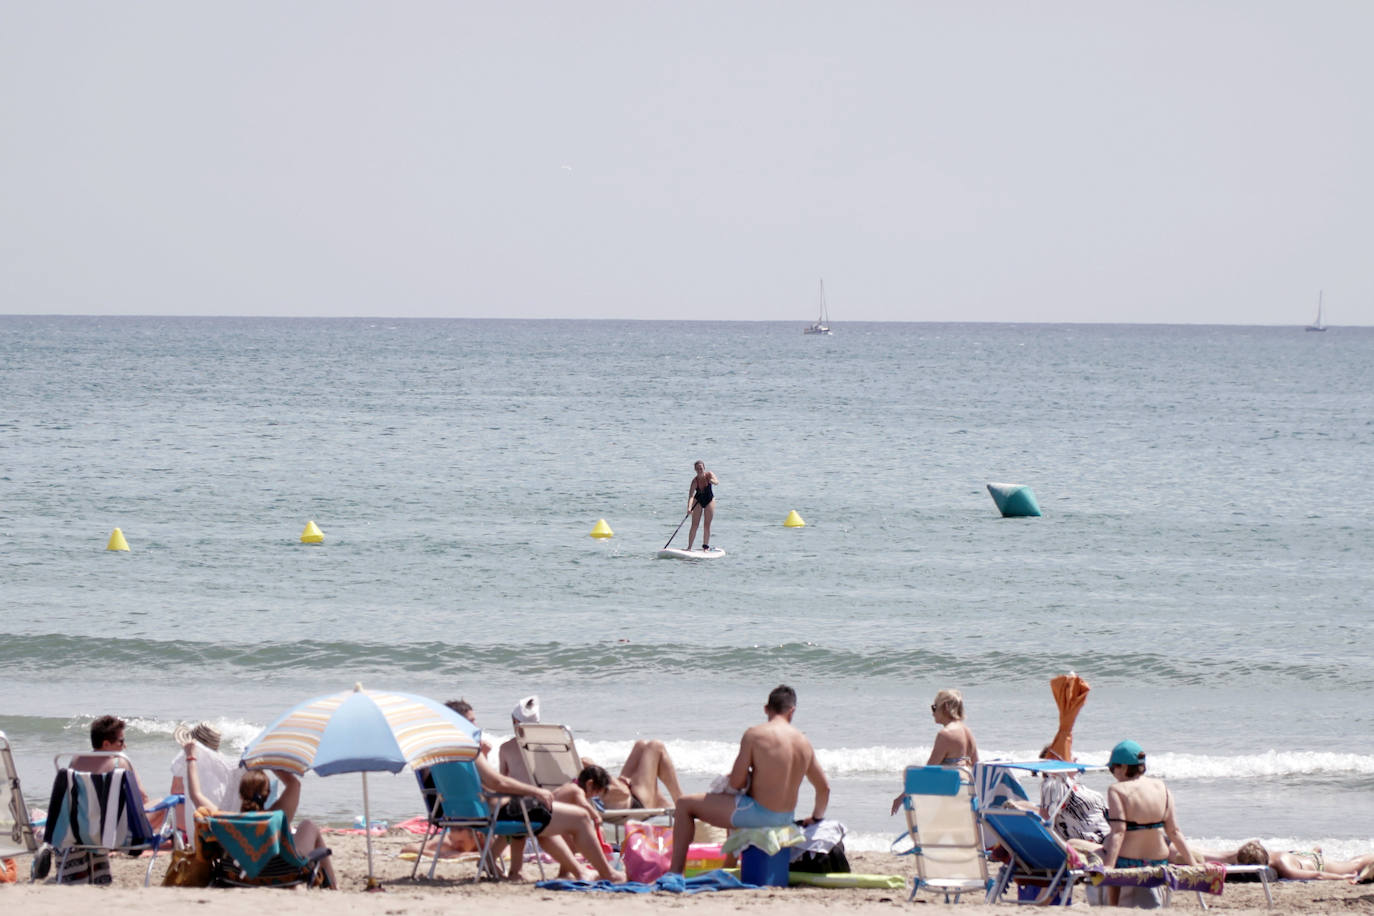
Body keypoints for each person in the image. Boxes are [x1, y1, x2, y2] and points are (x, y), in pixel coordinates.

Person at [668, 685, 830, 874]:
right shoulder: (804, 742)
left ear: (766, 709)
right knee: (737, 803)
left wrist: (749, 778)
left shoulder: (755, 735)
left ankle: (675, 872)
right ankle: (728, 867)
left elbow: (736, 782)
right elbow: (824, 788)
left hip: (759, 815)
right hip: (786, 817)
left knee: (684, 804)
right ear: (792, 710)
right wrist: (816, 817)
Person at [180, 737, 338, 889]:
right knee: (308, 825)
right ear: (268, 793)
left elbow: (196, 795)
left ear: (241, 794)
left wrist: (191, 757)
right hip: (283, 874)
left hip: (236, 876)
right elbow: (294, 784)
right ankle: (334, 887)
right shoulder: (277, 816)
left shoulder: (223, 819)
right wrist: (265, 759)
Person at [1101, 740, 1194, 908]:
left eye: (1112, 768)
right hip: (1159, 860)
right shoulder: (1161, 787)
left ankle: (1112, 906)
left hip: (1128, 861)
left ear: (1123, 767)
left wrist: (1109, 867)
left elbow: (1119, 832)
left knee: (1101, 846)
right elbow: (1174, 831)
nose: (1113, 773)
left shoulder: (1116, 790)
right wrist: (1193, 864)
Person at [890, 688, 978, 814]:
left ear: (946, 707)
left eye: (934, 707)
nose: (932, 713)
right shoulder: (967, 731)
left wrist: (901, 797)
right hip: (966, 796)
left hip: (948, 795)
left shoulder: (945, 735)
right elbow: (977, 766)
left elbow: (928, 772)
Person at [150, 722, 241, 833]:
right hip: (222, 825)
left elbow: (176, 791)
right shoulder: (225, 767)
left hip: (194, 826)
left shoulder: (185, 760)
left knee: (175, 800)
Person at [1199, 840, 1374, 882]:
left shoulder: (1283, 866)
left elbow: (1317, 874)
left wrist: (1341, 878)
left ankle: (1315, 852)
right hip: (1298, 855)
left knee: (1355, 863)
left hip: (1315, 863)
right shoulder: (1265, 853)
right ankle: (1314, 850)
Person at [1037, 745, 1109, 844]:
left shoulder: (1073, 784)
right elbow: (1046, 819)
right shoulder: (1056, 784)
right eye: (1070, 755)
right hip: (1096, 843)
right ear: (1057, 761)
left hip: (1109, 836)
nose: (1076, 758)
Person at [587, 739, 684, 811]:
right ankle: (681, 803)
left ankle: (659, 800)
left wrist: (618, 782)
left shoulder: (576, 781)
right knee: (656, 746)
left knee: (640, 745)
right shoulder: (579, 790)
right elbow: (622, 793)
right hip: (632, 803)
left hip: (621, 796)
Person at [685, 459, 718, 551]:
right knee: (694, 524)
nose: (699, 470)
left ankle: (705, 547)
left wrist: (712, 481)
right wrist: (689, 508)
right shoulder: (695, 481)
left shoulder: (709, 475)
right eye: (697, 469)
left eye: (701, 468)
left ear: (704, 468)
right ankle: (689, 547)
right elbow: (691, 496)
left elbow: (717, 482)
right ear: (695, 470)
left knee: (706, 525)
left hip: (709, 500)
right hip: (698, 500)